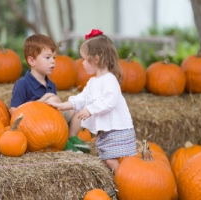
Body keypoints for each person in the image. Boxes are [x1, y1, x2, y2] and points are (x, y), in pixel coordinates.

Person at [46, 29, 137, 173]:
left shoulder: (109, 80)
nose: (81, 63)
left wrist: (90, 110)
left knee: (110, 160)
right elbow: (81, 99)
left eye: (84, 59)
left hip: (117, 129)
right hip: (107, 131)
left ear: (96, 59)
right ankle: (122, 178)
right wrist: (63, 105)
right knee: (107, 159)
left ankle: (125, 182)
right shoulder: (93, 82)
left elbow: (109, 101)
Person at [9, 34, 90, 153]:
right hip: (35, 126)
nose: (53, 61)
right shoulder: (23, 84)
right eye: (47, 58)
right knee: (52, 99)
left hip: (54, 122)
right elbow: (14, 111)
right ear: (31, 61)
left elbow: (55, 112)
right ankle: (62, 142)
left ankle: (71, 136)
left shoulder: (51, 85)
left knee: (78, 105)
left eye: (54, 57)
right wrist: (44, 100)